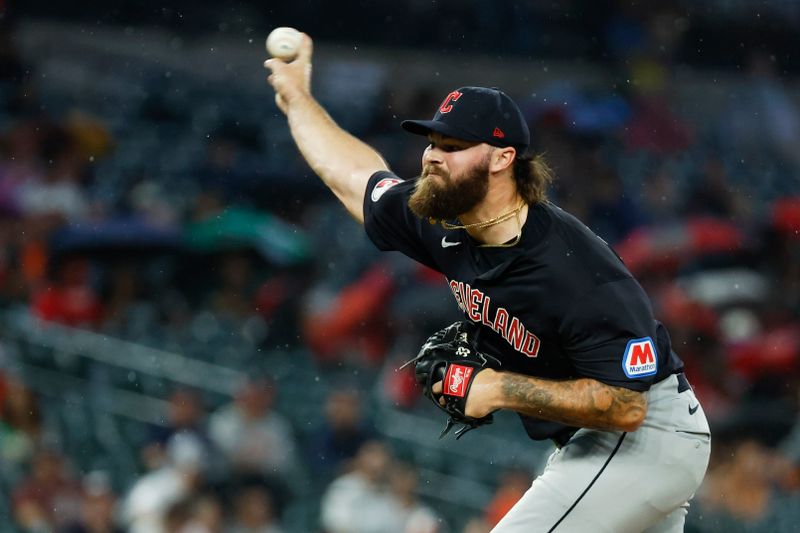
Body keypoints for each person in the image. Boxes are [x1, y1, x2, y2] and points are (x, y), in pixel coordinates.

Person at [264, 34, 711, 532]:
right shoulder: (444, 220)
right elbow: (354, 176)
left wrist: (498, 387)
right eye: (432, 142)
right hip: (603, 444)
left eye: (452, 146)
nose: (432, 156)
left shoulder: (574, 270)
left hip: (647, 433)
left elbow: (627, 405)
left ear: (501, 158)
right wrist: (299, 100)